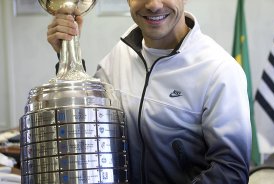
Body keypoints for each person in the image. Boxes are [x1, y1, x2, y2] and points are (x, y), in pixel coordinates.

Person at [47, 0, 252, 183]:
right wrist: (68, 54)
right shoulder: (122, 51)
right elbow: (92, 121)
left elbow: (230, 172)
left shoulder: (219, 70)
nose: (153, 5)